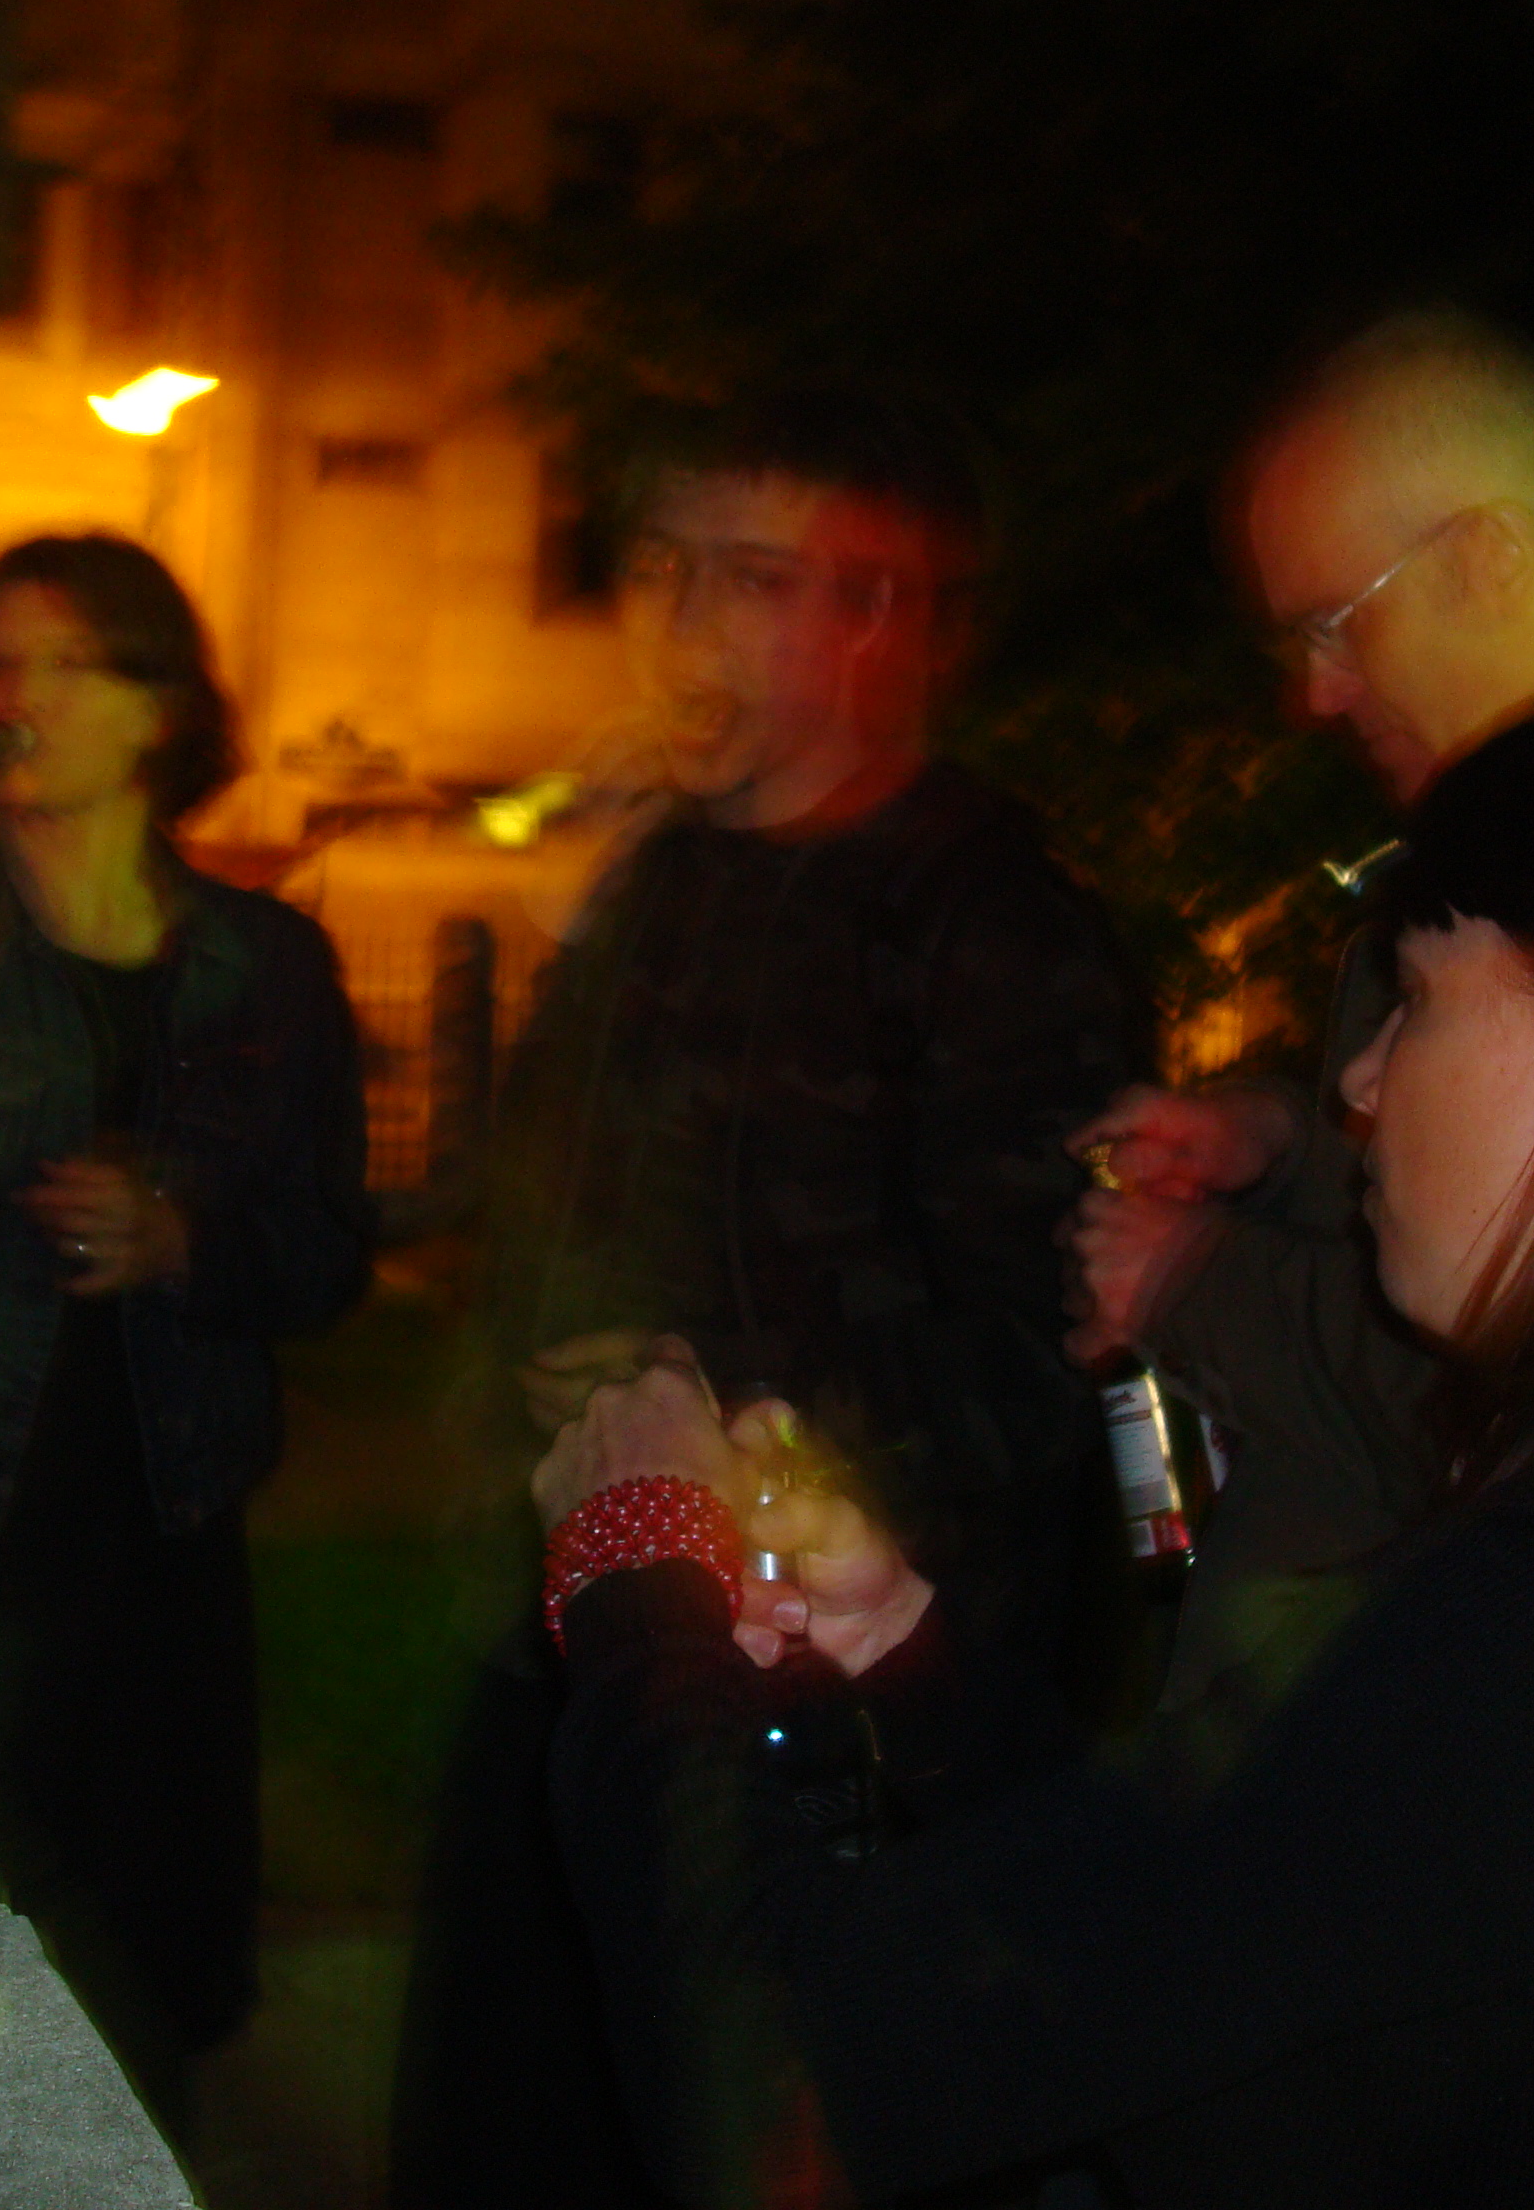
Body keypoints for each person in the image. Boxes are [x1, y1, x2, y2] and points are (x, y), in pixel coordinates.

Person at [533, 689, 1534, 2207]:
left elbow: (783, 2088)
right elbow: (1206, 1929)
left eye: (1422, 996)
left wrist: (634, 1568)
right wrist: (904, 1652)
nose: (1358, 1082)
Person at [390, 396, 1148, 2208]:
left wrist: (710, 1403)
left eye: (746, 579)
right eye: (663, 569)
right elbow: (536, 1205)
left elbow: (1045, 1361)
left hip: (818, 1747)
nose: (679, 626)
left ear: (878, 618)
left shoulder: (995, 928)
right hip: (577, 1642)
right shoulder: (661, 873)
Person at [1066, 310, 1534, 1749]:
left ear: (1486, 557)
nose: (1313, 692)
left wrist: (1190, 1282)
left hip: (1439, 1731)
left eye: (1336, 623)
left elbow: (1524, 1389)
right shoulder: (1523, 829)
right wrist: (1281, 1144)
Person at [0, 533, 372, 2139]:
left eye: (51, 660)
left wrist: (182, 1243)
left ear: (156, 709)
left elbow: (328, 1254)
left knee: (151, 1971)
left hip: (168, 1542)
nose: (2, 695)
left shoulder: (265, 967)